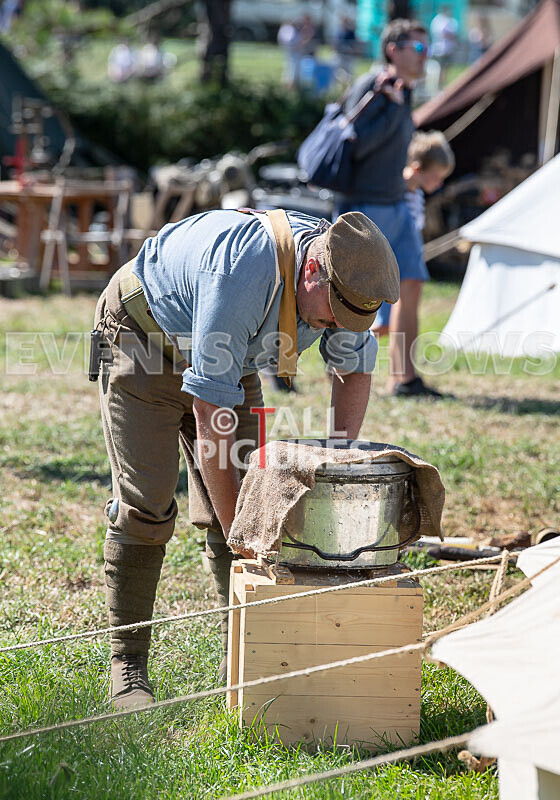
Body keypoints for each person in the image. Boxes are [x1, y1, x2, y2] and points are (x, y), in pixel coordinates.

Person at [93, 208, 399, 710]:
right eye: (328, 320)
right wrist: (240, 530)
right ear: (311, 271)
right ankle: (127, 666)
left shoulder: (346, 274)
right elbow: (209, 410)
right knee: (146, 508)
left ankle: (238, 655)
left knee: (245, 504)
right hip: (143, 342)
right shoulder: (242, 273)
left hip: (229, 363)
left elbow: (354, 369)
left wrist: (338, 462)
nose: (331, 328)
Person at [337, 18, 442, 397]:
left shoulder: (403, 91)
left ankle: (405, 379)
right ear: (393, 50)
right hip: (366, 207)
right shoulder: (373, 86)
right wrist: (392, 110)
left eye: (427, 48)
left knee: (411, 283)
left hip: (396, 204)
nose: (425, 56)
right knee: (354, 295)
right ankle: (335, 373)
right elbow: (354, 144)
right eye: (418, 48)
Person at [372, 131, 455, 349]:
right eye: (437, 177)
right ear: (418, 169)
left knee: (389, 323)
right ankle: (350, 354)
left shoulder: (416, 194)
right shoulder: (395, 192)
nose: (439, 184)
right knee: (382, 323)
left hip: (402, 266)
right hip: (387, 269)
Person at [429, 5, 458, 86]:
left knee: (446, 68)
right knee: (439, 68)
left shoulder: (449, 20)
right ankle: (439, 85)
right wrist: (451, 36)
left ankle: (443, 84)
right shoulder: (439, 20)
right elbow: (443, 34)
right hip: (440, 49)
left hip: (448, 49)